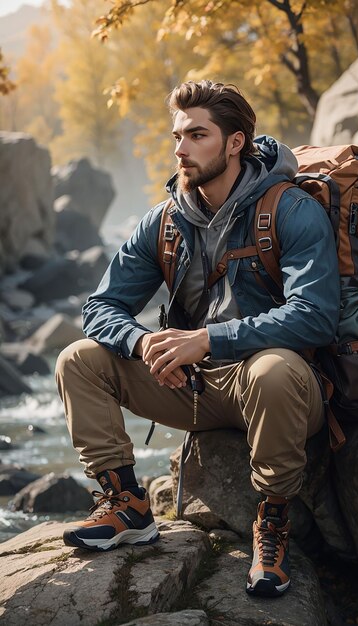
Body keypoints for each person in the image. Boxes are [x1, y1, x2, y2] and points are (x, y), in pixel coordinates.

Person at [56, 80, 340, 597]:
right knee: (79, 359)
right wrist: (144, 344)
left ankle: (272, 526)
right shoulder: (165, 220)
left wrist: (208, 338)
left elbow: (315, 316)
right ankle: (128, 504)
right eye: (177, 135)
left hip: (281, 390)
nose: (180, 149)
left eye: (196, 135)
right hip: (193, 387)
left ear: (235, 143)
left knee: (274, 369)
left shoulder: (292, 209)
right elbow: (100, 307)